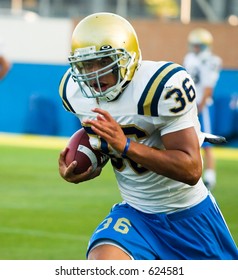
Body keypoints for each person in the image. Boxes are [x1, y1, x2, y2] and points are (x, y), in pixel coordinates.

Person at [58, 12, 237, 260]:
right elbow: (103, 141)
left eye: (104, 62)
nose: (95, 74)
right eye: (87, 64)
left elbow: (191, 169)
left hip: (190, 215)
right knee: (101, 265)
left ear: (127, 58)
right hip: (136, 215)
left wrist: (126, 146)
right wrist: (88, 162)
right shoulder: (75, 92)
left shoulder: (161, 86)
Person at [183, 28, 222, 190]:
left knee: (206, 142)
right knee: (188, 141)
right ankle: (194, 175)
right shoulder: (189, 58)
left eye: (199, 45)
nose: (195, 48)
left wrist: (201, 106)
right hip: (189, 104)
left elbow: (208, 87)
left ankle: (210, 178)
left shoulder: (211, 61)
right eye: (194, 45)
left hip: (201, 106)